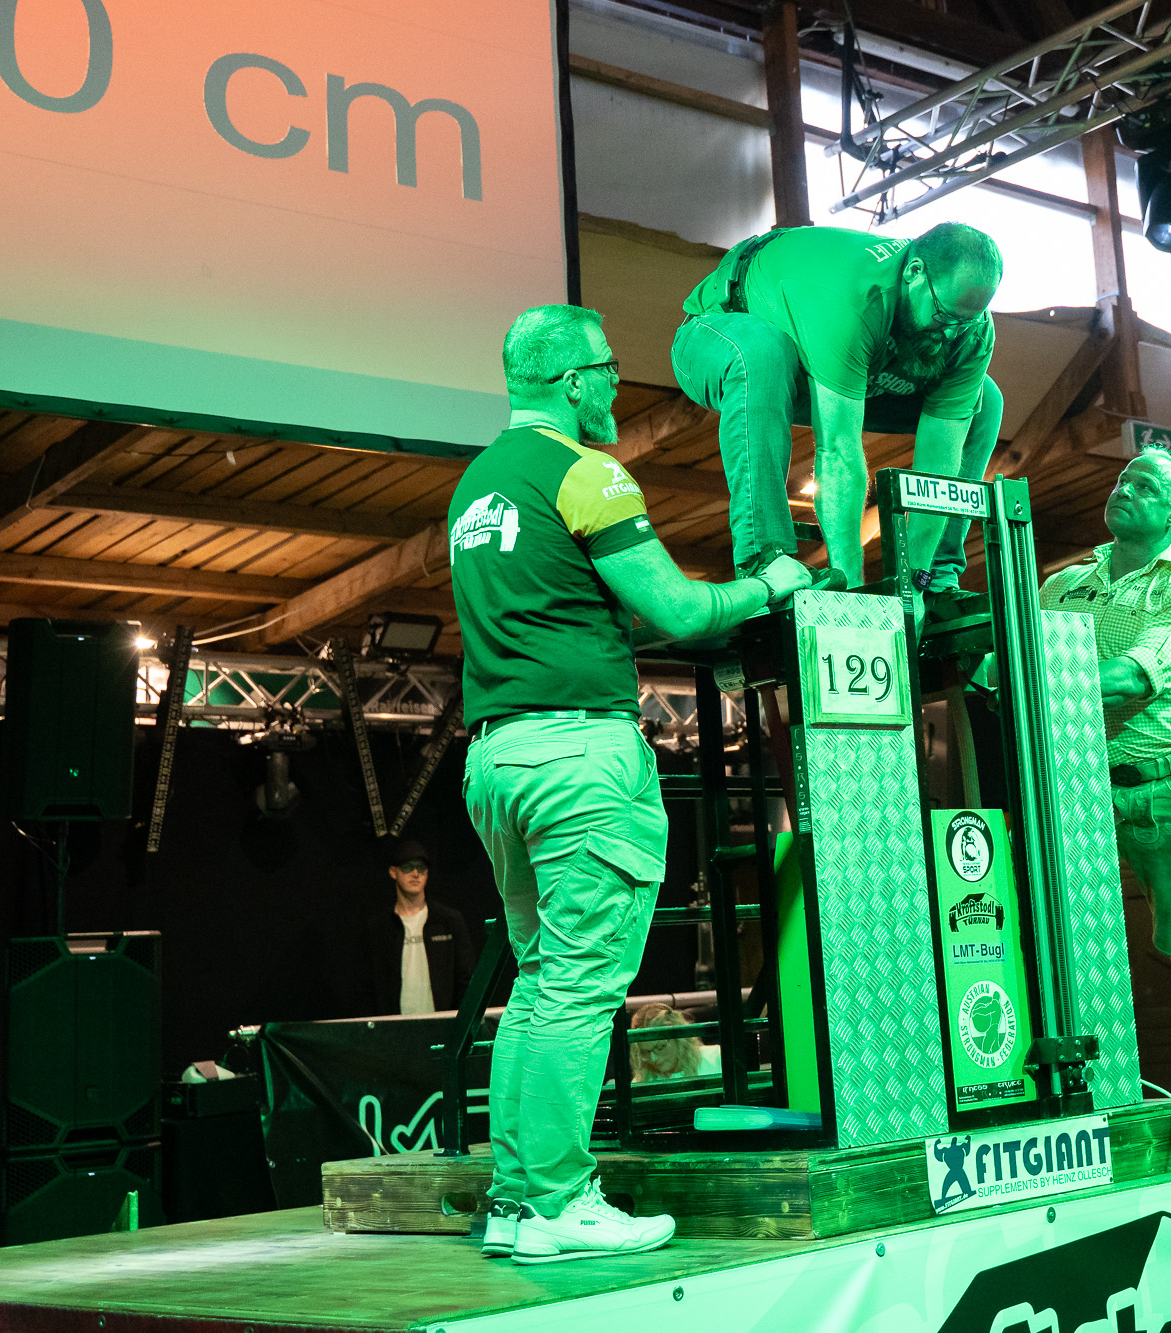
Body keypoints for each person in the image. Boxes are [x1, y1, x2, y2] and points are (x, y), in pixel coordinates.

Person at [449, 305, 814, 1264]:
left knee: (541, 982)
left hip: (497, 757)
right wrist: (774, 582)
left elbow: (570, 612)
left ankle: (518, 1200)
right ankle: (560, 1200)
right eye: (608, 367)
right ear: (573, 380)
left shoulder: (477, 486)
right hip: (577, 760)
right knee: (577, 988)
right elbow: (681, 609)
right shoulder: (586, 471)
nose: (616, 382)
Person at [1038, 448, 1171, 1154]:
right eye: (1124, 478)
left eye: (1146, 485)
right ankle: (1077, 1098)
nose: (1126, 488)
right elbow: (1001, 658)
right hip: (1077, 783)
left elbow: (1129, 679)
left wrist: (1022, 665)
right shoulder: (1063, 586)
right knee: (1062, 943)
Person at [674, 222, 1005, 595]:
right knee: (763, 354)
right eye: (944, 316)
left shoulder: (972, 330)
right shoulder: (852, 298)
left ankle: (935, 575)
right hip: (722, 333)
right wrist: (849, 590)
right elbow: (839, 452)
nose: (950, 332)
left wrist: (913, 583)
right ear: (914, 272)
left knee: (984, 401)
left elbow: (938, 471)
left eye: (965, 321)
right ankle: (766, 561)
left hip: (847, 363)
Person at [362, 839, 478, 1016]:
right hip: (393, 1025)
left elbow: (467, 977)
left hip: (443, 1022)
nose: (416, 873)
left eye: (421, 868)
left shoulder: (448, 921)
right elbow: (368, 984)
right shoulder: (379, 928)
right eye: (408, 867)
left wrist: (458, 1020)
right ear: (393, 872)